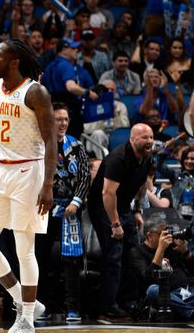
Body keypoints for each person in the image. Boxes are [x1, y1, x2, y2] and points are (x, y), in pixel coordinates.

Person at [0, 38, 57, 333]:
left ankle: (27, 320)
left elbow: (51, 140)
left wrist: (48, 184)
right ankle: (23, 299)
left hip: (29, 171)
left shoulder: (35, 92)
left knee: (24, 249)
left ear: (14, 62)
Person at [87, 123, 154, 321]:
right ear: (133, 139)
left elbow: (142, 184)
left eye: (151, 137)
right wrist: (115, 224)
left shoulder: (147, 157)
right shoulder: (118, 158)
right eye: (145, 137)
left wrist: (137, 210)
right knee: (114, 255)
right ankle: (108, 307)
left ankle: (130, 302)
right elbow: (107, 193)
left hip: (124, 205)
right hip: (102, 207)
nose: (150, 141)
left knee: (134, 252)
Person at [34, 103, 90, 323]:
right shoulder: (38, 145)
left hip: (70, 210)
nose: (63, 123)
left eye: (66, 119)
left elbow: (85, 177)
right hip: (42, 209)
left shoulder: (76, 145)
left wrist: (76, 202)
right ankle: (40, 307)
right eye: (58, 119)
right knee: (39, 259)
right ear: (49, 120)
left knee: (71, 260)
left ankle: (73, 308)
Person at [128, 215, 194, 321]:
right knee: (152, 291)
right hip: (168, 296)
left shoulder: (171, 248)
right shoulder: (136, 252)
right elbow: (147, 279)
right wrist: (161, 249)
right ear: (150, 236)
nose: (168, 237)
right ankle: (188, 312)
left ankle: (182, 311)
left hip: (188, 292)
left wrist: (186, 253)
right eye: (163, 234)